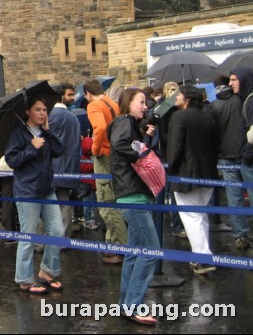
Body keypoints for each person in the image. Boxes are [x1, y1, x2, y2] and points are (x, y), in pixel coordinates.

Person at [109, 87, 160, 325]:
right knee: (150, 250)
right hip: (133, 196)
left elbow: (124, 144)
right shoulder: (124, 122)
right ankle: (133, 305)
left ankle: (126, 302)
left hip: (132, 194)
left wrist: (142, 137)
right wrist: (139, 152)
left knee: (134, 252)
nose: (145, 106)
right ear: (128, 102)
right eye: (141, 102)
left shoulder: (129, 123)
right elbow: (119, 145)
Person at [5, 96, 65, 294]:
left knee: (57, 231)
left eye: (45, 110)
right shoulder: (18, 134)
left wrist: (48, 132)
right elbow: (12, 160)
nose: (42, 113)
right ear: (28, 112)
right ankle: (24, 279)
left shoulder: (45, 133)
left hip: (47, 190)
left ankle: (48, 271)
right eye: (38, 109)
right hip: (28, 192)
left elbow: (59, 151)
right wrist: (32, 147)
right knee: (28, 235)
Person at [166, 85, 219, 275]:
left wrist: (170, 168)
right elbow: (215, 144)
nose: (176, 97)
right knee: (200, 216)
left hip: (186, 173)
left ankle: (202, 257)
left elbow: (175, 147)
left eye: (179, 95)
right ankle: (204, 255)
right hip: (208, 173)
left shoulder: (179, 117)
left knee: (191, 217)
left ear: (187, 99)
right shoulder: (207, 116)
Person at [85, 78, 127, 263]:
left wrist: (95, 149)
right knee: (113, 200)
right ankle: (112, 244)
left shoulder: (93, 106)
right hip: (116, 156)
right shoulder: (112, 103)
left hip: (104, 156)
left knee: (107, 204)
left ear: (87, 93)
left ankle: (120, 248)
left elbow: (100, 127)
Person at [208, 74, 249, 248]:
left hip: (225, 155)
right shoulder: (241, 101)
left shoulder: (214, 105)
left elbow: (212, 131)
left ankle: (240, 234)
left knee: (234, 197)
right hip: (246, 153)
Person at [50, 84, 82, 238]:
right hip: (69, 167)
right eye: (69, 94)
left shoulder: (50, 116)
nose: (73, 98)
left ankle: (41, 242)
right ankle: (63, 239)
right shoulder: (73, 118)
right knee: (64, 204)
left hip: (52, 167)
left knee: (46, 204)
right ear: (61, 96)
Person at [231, 67, 253, 223]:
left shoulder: (252, 102)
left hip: (252, 162)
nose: (230, 83)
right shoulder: (247, 100)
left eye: (234, 80)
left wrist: (246, 157)